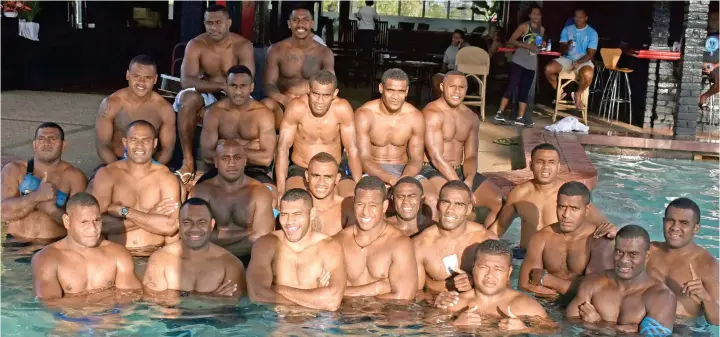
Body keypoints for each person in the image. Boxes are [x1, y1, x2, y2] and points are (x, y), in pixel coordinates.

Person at [174, 4, 255, 185]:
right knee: (188, 99)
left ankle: (211, 165)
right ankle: (187, 162)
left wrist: (214, 108)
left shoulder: (242, 45)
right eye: (209, 23)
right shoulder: (196, 44)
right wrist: (220, 86)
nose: (213, 27)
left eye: (218, 22)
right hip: (210, 90)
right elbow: (186, 81)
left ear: (229, 23)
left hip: (237, 92)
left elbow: (246, 82)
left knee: (233, 103)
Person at [489, 143, 615, 258]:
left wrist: (612, 231)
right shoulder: (518, 193)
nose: (545, 167)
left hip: (558, 258)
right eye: (540, 161)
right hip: (525, 255)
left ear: (558, 166)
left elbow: (605, 226)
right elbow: (498, 228)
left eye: (551, 162)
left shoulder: (570, 195)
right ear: (531, 166)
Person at [421, 71, 504, 224]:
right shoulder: (432, 113)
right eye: (452, 86)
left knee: (499, 201)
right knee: (445, 203)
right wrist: (460, 186)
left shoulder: (471, 117)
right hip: (433, 169)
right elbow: (436, 157)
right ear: (442, 86)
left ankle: (484, 242)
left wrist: (470, 179)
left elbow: (471, 156)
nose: (456, 92)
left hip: (459, 170)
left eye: (461, 87)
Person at [89, 120, 181, 257]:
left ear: (155, 143)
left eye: (146, 140)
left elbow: (170, 227)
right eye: (133, 140)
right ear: (125, 143)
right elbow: (97, 225)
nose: (139, 145)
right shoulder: (107, 175)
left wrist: (124, 211)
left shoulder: (166, 178)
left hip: (155, 255)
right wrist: (150, 214)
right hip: (114, 255)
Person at [567, 225, 677, 336]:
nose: (624, 260)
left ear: (647, 256)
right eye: (619, 252)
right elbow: (569, 323)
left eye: (633, 254)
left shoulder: (662, 297)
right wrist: (632, 330)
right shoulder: (593, 283)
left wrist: (598, 324)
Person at [246, 189, 346, 311]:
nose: (289, 222)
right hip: (277, 323)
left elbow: (332, 301)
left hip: (316, 324)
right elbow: (257, 294)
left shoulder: (329, 247)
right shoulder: (266, 244)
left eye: (297, 214)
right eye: (284, 214)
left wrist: (276, 288)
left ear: (312, 214)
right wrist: (314, 301)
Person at [31, 193, 142, 302]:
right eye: (84, 222)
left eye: (97, 220)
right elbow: (49, 305)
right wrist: (103, 302)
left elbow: (132, 297)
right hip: (71, 320)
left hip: (109, 319)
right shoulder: (46, 258)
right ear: (67, 221)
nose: (93, 229)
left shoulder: (118, 254)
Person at [518, 182, 614, 299]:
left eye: (574, 208)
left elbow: (596, 290)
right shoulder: (542, 237)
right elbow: (524, 284)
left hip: (581, 309)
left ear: (587, 209)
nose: (566, 215)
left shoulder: (599, 240)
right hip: (546, 304)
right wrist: (558, 296)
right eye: (562, 207)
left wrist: (547, 280)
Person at [275, 70, 361, 199]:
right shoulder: (297, 107)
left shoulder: (342, 109)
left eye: (326, 95)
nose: (319, 101)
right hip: (301, 169)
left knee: (351, 198)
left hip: (334, 169)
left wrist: (360, 188)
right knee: (296, 201)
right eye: (315, 94)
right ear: (309, 90)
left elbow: (352, 150)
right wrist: (280, 190)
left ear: (334, 94)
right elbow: (282, 149)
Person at [433, 240, 553, 332]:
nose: (490, 275)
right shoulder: (455, 304)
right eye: (484, 267)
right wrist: (455, 326)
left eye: (498, 269)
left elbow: (552, 331)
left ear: (509, 273)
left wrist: (525, 330)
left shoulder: (527, 306)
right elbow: (429, 330)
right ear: (473, 268)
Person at [142, 198, 246, 299]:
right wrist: (211, 298)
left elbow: (233, 306)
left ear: (212, 225)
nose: (194, 228)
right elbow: (152, 301)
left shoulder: (230, 264)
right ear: (178, 224)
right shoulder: (161, 259)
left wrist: (177, 295)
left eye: (202, 222)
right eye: (187, 222)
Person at [190, 139, 276, 260]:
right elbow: (197, 235)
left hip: (249, 258)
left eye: (237, 157)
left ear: (245, 160)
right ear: (216, 162)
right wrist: (248, 232)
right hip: (209, 260)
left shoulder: (260, 192)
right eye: (225, 158)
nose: (232, 163)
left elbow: (262, 238)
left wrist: (215, 244)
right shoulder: (201, 191)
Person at [333, 176, 417, 300]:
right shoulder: (338, 242)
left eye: (373, 205)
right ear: (354, 202)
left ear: (384, 206)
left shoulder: (399, 244)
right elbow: (324, 290)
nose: (365, 212)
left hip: (384, 317)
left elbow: (404, 297)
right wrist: (377, 288)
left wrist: (345, 292)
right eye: (360, 204)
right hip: (346, 316)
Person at [2, 123, 87, 243]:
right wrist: (37, 196)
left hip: (55, 247)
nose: (46, 143)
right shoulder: (14, 170)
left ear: (63, 145)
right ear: (34, 145)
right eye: (41, 139)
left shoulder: (74, 177)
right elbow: (4, 213)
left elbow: (81, 225)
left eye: (53, 139)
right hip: (16, 246)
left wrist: (51, 210)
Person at [198, 65, 277, 190]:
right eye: (233, 86)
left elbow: (266, 159)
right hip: (221, 171)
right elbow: (207, 155)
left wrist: (224, 147)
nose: (238, 92)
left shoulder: (263, 114)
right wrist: (251, 146)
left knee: (270, 196)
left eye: (243, 86)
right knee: (198, 193)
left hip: (254, 170)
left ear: (251, 87)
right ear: (226, 86)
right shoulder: (214, 113)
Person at [413, 181, 497, 293]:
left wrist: (475, 283)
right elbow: (416, 294)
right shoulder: (420, 244)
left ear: (468, 209)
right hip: (436, 305)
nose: (450, 210)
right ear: (438, 205)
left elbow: (504, 287)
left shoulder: (485, 239)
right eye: (446, 202)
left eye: (459, 204)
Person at [646, 198, 719, 325]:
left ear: (696, 228)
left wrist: (705, 297)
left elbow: (717, 320)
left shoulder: (707, 265)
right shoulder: (649, 251)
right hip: (645, 323)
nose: (675, 227)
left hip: (684, 329)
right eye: (670, 221)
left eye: (684, 223)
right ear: (663, 221)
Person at [96, 55, 176, 166]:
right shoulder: (111, 104)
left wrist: (151, 172)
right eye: (136, 76)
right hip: (116, 163)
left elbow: (167, 149)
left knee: (176, 183)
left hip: (151, 165)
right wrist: (120, 172)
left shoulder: (164, 109)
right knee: (94, 183)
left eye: (147, 78)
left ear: (155, 79)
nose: (141, 82)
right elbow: (102, 146)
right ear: (128, 75)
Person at [262, 8, 335, 129]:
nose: (300, 24)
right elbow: (268, 84)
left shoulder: (324, 52)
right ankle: (269, 142)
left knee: (340, 106)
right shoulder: (276, 50)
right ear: (289, 24)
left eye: (305, 20)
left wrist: (314, 103)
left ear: (312, 24)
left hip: (311, 107)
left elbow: (331, 85)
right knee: (266, 105)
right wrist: (284, 99)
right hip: (283, 106)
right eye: (295, 20)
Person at [356, 68, 425, 187]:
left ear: (407, 91)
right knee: (374, 196)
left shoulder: (415, 116)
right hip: (372, 170)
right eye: (391, 90)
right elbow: (364, 159)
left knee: (431, 197)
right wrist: (391, 179)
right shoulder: (364, 114)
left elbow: (417, 159)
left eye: (401, 91)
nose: (395, 97)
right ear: (381, 88)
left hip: (404, 170)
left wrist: (405, 178)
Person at [494, 5, 545, 127]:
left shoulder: (541, 29)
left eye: (538, 14)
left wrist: (541, 45)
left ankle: (520, 117)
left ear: (541, 16)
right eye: (533, 13)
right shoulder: (524, 26)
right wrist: (527, 46)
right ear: (529, 15)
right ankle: (499, 113)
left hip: (531, 63)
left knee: (525, 91)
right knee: (512, 87)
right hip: (519, 61)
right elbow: (511, 40)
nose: (536, 16)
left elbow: (536, 45)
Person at [544, 8, 598, 110]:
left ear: (586, 18)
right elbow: (562, 49)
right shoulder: (567, 29)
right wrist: (567, 46)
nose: (578, 19)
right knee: (548, 69)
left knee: (588, 74)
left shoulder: (592, 32)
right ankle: (559, 91)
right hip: (567, 59)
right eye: (576, 16)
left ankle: (578, 94)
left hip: (583, 61)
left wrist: (579, 61)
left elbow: (591, 53)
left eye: (580, 17)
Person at [305, 152, 345, 236]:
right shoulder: (295, 207)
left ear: (337, 178)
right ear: (306, 176)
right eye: (316, 175)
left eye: (328, 176)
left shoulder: (346, 208)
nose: (321, 182)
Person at [432, 30, 471, 99]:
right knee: (437, 78)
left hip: (461, 74)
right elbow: (445, 63)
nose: (454, 39)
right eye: (453, 37)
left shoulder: (465, 48)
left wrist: (461, 46)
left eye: (457, 38)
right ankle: (440, 100)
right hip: (449, 72)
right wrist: (442, 71)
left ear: (461, 39)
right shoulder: (449, 49)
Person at [700, 11, 719, 110]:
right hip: (698, 63)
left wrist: (714, 66)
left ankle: (704, 97)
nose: (713, 23)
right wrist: (703, 64)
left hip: (715, 66)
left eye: (716, 20)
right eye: (712, 20)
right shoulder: (699, 33)